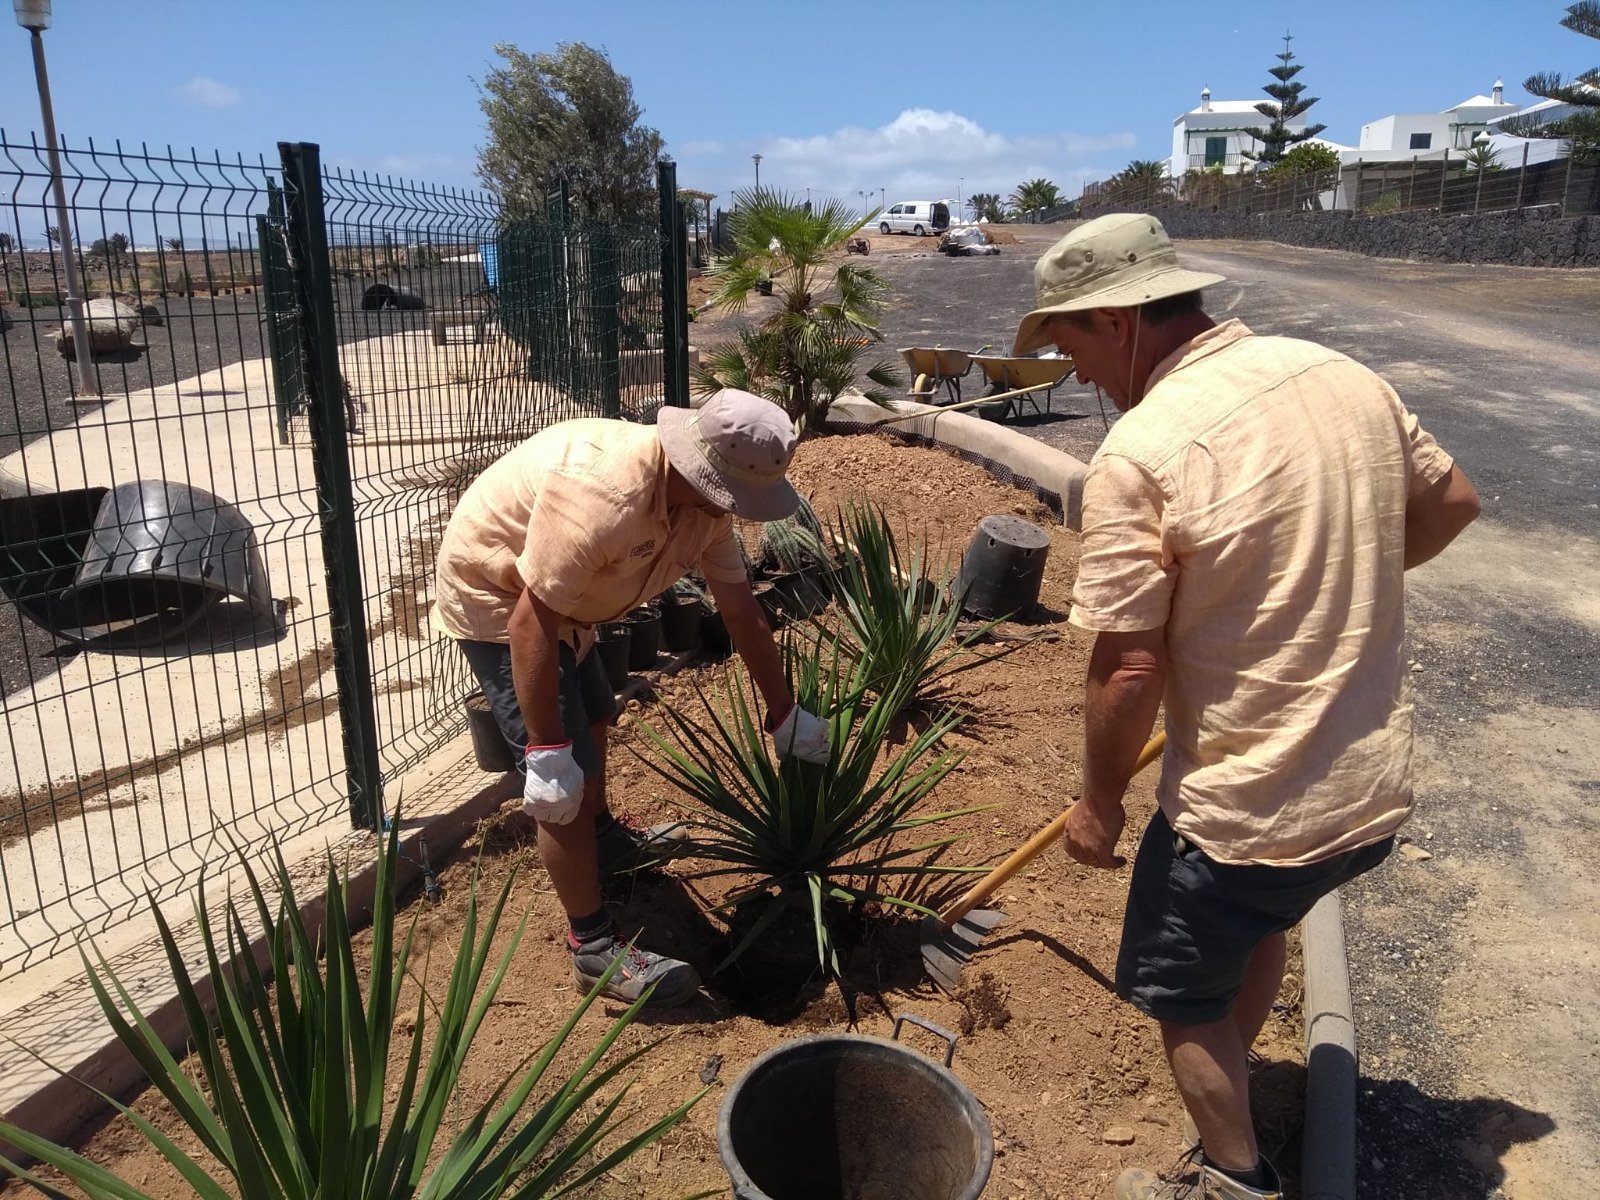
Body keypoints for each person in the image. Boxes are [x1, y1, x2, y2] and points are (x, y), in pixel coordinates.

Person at [1012, 214, 1480, 1200]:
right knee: (1257, 924)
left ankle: (1235, 1178)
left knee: (1177, 998)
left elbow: (1128, 669)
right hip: (1361, 794)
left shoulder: (1144, 453)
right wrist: (1328, 592)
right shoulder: (1339, 376)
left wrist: (1098, 806)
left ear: (1119, 319)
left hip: (1247, 813)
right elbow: (1450, 504)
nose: (1078, 373)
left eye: (1072, 344)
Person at [432, 389, 830, 1008]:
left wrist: (785, 715)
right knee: (562, 780)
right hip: (500, 595)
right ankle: (592, 946)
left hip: (571, 605)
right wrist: (544, 753)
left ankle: (606, 837)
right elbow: (528, 627)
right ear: (700, 468)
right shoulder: (603, 499)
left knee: (596, 713)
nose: (738, 510)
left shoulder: (706, 509)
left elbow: (742, 612)